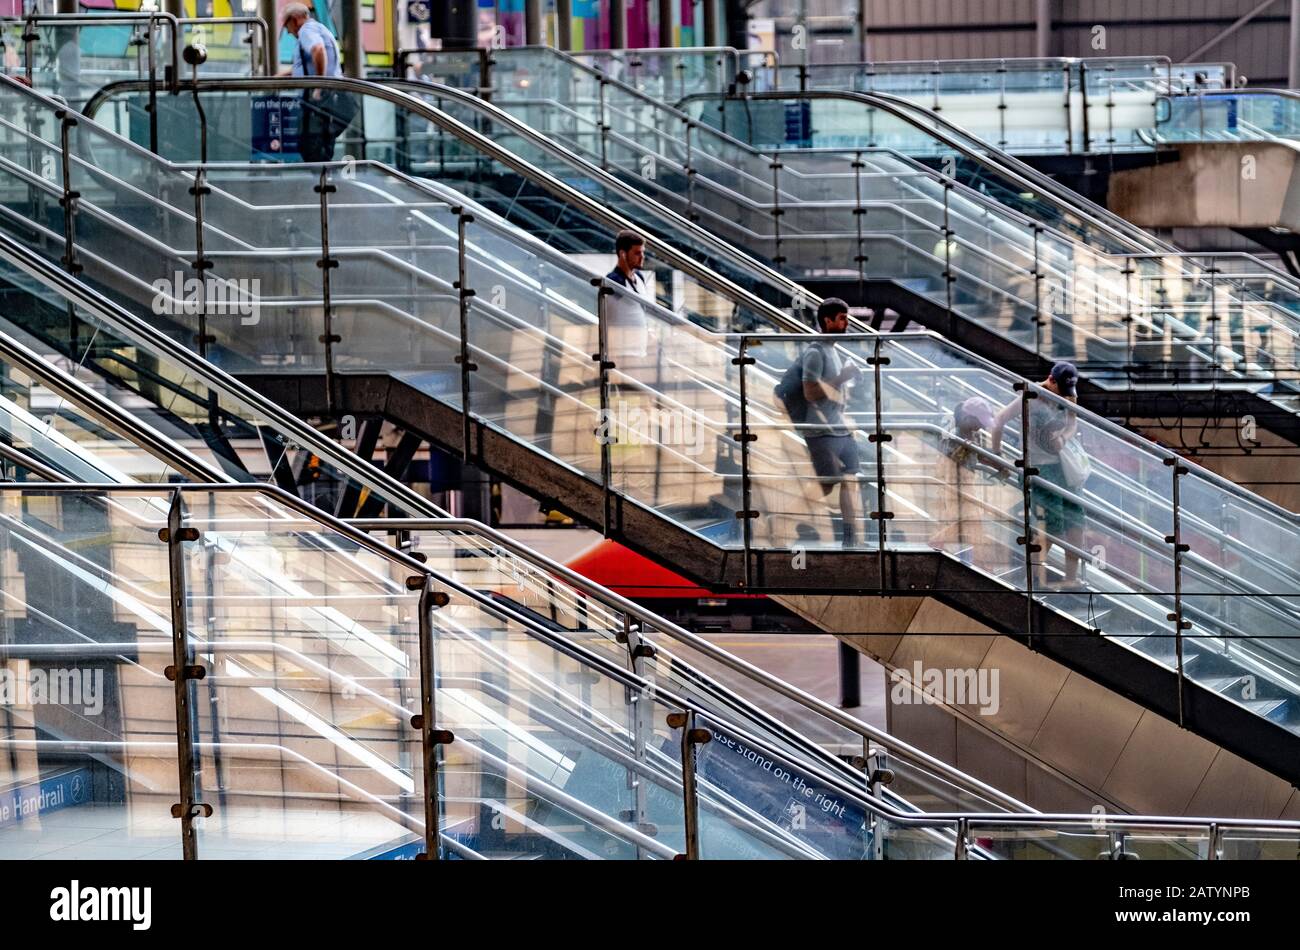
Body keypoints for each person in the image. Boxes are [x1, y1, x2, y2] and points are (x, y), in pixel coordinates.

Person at [990, 361, 1087, 588]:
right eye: (1060, 390)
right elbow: (999, 420)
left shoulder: (1068, 394)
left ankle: (1071, 578)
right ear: (1050, 380)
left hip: (1064, 467)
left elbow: (1073, 423)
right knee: (1051, 524)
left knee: (1076, 520)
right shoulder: (1031, 395)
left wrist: (1063, 436)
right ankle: (1034, 577)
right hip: (1039, 469)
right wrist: (998, 455)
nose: (1064, 396)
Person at [801, 298, 863, 548]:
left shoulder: (833, 349)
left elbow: (832, 389)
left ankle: (851, 538)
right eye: (841, 319)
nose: (846, 324)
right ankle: (788, 514)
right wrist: (841, 378)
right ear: (827, 321)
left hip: (838, 428)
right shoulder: (815, 351)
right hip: (820, 430)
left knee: (851, 478)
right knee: (826, 486)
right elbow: (810, 393)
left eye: (846, 318)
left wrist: (848, 381)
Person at [278, 3, 354, 163]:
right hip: (329, 97)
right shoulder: (319, 28)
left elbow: (318, 50)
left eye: (287, 25)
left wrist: (318, 85)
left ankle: (319, 183)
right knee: (320, 146)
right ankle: (322, 181)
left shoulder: (306, 30)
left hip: (317, 101)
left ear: (295, 20)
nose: (287, 31)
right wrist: (279, 76)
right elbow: (306, 64)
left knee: (310, 146)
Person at [604, 229, 653, 360]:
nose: (642, 257)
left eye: (643, 252)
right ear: (623, 254)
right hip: (622, 353)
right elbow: (606, 314)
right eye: (637, 253)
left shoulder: (639, 277)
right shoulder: (614, 281)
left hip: (640, 351)